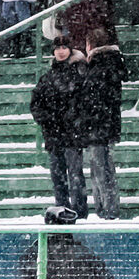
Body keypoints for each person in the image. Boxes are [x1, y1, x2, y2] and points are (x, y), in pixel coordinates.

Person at [31, 32, 90, 219]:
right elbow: (36, 104)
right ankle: (62, 210)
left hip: (72, 134)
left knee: (75, 176)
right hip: (54, 135)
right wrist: (47, 120)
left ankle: (79, 212)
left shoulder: (80, 73)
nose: (61, 51)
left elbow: (85, 102)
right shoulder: (47, 77)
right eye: (57, 48)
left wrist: (74, 119)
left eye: (64, 47)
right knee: (58, 178)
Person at [81, 29, 125, 219]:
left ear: (91, 45)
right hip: (106, 124)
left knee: (101, 170)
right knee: (103, 168)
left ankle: (107, 209)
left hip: (98, 126)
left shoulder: (98, 67)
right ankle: (106, 208)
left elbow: (93, 99)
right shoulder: (111, 64)